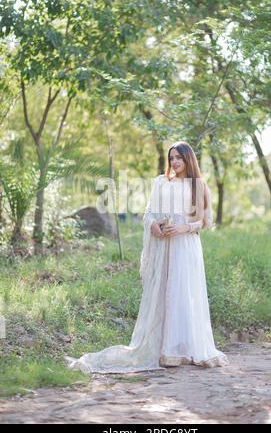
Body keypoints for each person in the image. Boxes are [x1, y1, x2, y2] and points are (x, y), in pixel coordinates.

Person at [65, 141, 229, 374]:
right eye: (171, 157)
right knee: (164, 293)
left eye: (179, 158)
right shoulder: (161, 182)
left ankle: (186, 348)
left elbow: (204, 222)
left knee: (185, 293)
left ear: (188, 159)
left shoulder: (198, 185)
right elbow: (149, 212)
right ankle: (164, 349)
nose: (174, 162)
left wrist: (184, 229)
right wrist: (153, 225)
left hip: (186, 246)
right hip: (164, 245)